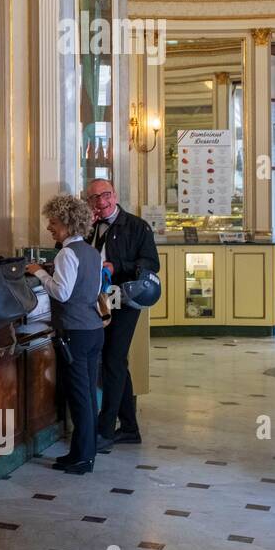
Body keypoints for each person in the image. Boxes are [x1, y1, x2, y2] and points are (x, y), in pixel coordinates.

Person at [28, 194, 105, 476]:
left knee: (79, 397)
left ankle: (83, 457)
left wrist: (38, 273)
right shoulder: (93, 252)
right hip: (94, 329)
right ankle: (83, 452)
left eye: (54, 222)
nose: (50, 226)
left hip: (75, 331)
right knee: (87, 394)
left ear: (68, 224)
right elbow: (94, 289)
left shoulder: (66, 253)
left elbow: (61, 292)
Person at [85, 179, 159, 445]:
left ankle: (105, 431)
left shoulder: (137, 226)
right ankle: (129, 428)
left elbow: (151, 263)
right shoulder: (88, 227)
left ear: (115, 195)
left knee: (113, 360)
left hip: (124, 301)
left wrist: (117, 266)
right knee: (115, 362)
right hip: (95, 302)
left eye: (105, 195)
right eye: (94, 198)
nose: (101, 202)